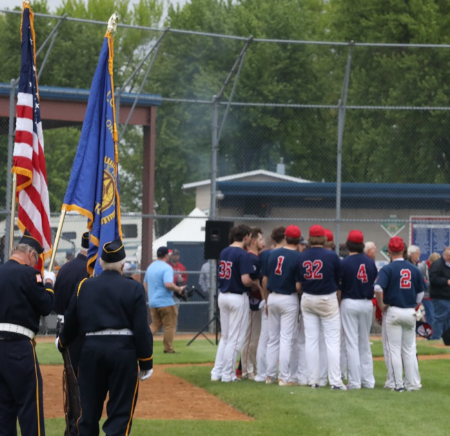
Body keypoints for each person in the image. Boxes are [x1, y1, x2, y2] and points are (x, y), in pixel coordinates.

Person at [57, 238, 153, 435]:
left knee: (88, 412)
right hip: (123, 351)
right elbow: (141, 328)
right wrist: (146, 361)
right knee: (120, 414)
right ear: (123, 265)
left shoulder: (84, 285)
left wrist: (62, 341)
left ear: (100, 263)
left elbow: (71, 321)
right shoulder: (133, 287)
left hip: (92, 349)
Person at [0, 230, 55, 436]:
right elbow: (45, 306)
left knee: (3, 413)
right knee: (30, 408)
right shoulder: (30, 274)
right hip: (19, 347)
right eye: (36, 259)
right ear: (32, 255)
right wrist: (49, 284)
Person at [375, 236, 426, 391]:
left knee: (394, 349)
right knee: (409, 349)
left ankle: (396, 384)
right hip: (409, 311)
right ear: (403, 250)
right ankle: (412, 384)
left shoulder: (387, 269)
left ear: (389, 251)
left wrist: (381, 304)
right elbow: (421, 292)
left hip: (394, 311)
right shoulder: (414, 268)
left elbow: (377, 288)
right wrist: (415, 306)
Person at [298, 224, 345, 390]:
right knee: (332, 342)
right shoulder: (331, 256)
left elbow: (298, 285)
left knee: (311, 341)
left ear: (309, 238)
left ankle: (313, 381)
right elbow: (339, 281)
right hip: (327, 299)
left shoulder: (302, 256)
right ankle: (335, 381)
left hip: (308, 298)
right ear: (324, 238)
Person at [211, 224, 255, 382]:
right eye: (250, 236)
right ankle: (228, 375)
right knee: (236, 339)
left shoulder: (224, 251)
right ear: (245, 237)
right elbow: (245, 280)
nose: (250, 239)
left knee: (226, 337)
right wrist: (255, 284)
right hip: (237, 296)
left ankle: (217, 372)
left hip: (223, 295)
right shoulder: (243, 254)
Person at [264, 225, 302, 386]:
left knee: (273, 338)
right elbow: (299, 286)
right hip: (289, 298)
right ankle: (283, 377)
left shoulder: (272, 254)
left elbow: (265, 280)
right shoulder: (299, 257)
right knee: (286, 338)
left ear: (286, 237)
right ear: (299, 240)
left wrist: (266, 300)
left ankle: (269, 376)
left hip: (272, 297)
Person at [339, 230, 377, 390]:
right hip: (367, 303)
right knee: (364, 343)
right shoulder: (370, 262)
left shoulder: (345, 262)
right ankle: (368, 381)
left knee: (351, 343)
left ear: (348, 245)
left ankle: (354, 382)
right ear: (362, 245)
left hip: (349, 302)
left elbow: (340, 286)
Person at [54, 231, 89, 374]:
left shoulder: (65, 267)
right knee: (84, 377)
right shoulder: (90, 270)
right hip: (80, 328)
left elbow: (56, 302)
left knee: (70, 376)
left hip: (62, 326)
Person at [254, 226, 285, 383]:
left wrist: (265, 299)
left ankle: (262, 374)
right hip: (284, 298)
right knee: (283, 338)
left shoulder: (265, 254)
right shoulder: (290, 254)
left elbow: (262, 279)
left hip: (268, 297)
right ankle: (280, 374)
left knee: (266, 338)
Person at [144, 246, 186, 353]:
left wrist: (151, 295)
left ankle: (140, 338)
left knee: (155, 325)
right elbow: (167, 284)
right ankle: (168, 349)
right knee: (169, 326)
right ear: (166, 255)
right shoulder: (167, 267)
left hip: (153, 302)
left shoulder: (150, 267)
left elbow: (145, 283)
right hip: (166, 302)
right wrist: (178, 289)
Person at [240, 227, 265, 380]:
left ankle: (252, 368)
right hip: (252, 302)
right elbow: (252, 280)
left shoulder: (255, 257)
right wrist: (258, 288)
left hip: (254, 301)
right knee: (250, 338)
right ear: (254, 241)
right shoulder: (251, 257)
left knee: (254, 337)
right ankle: (247, 370)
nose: (263, 242)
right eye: (261, 239)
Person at [429, 247, 450, 340]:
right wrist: (446, 281)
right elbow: (433, 279)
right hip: (440, 297)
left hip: (448, 297)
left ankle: (446, 338)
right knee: (439, 318)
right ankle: (435, 338)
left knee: (447, 320)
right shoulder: (437, 265)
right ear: (445, 255)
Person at [418, 252, 440, 330]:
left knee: (437, 315)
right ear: (430, 261)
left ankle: (436, 332)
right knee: (430, 314)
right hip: (426, 295)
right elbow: (422, 283)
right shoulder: (422, 267)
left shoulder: (439, 267)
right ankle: (431, 333)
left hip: (436, 295)